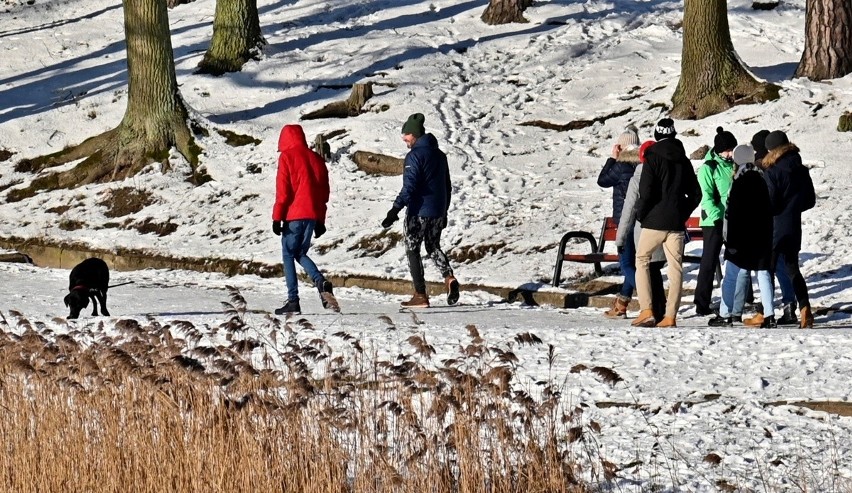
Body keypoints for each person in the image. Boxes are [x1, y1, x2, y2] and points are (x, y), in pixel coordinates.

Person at [381, 113, 459, 308]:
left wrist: (394, 210)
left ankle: (420, 294)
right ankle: (449, 278)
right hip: (437, 211)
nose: (404, 139)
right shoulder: (440, 155)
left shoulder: (414, 156)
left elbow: (410, 188)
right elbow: (447, 185)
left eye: (406, 135)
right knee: (433, 246)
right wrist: (444, 210)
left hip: (418, 212)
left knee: (412, 249)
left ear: (414, 135)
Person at [631, 118, 702, 328]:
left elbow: (646, 191)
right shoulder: (683, 159)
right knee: (675, 268)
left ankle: (646, 310)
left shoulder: (652, 157)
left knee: (642, 260)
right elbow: (696, 194)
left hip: (654, 221)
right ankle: (670, 316)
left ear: (656, 135)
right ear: (674, 134)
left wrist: (642, 214)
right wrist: (682, 212)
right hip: (676, 223)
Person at [271, 124, 340, 315]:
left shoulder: (287, 157)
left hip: (293, 215)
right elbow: (323, 192)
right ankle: (321, 282)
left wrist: (277, 217)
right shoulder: (316, 159)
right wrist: (320, 219)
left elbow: (283, 191)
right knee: (300, 252)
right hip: (310, 216)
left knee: (288, 254)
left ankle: (293, 300)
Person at [708, 145, 776, 327]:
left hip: (741, 238)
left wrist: (729, 239)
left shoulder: (739, 182)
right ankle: (769, 314)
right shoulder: (762, 179)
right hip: (762, 237)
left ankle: (725, 313)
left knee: (731, 275)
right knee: (763, 274)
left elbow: (732, 215)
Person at [761, 130, 817, 328]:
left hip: (775, 227)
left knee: (767, 269)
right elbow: (810, 201)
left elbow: (771, 203)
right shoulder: (801, 169)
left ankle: (765, 312)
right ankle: (804, 307)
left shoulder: (772, 171)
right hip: (793, 225)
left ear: (771, 150)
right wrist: (793, 208)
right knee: (793, 269)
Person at [615, 140, 666, 322]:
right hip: (668, 229)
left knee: (646, 269)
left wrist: (620, 238)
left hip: (644, 231)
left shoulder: (638, 176)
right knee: (656, 271)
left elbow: (628, 210)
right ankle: (662, 312)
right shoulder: (666, 173)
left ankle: (650, 310)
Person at [693, 127, 738, 316]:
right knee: (709, 261)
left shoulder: (734, 165)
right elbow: (707, 198)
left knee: (738, 259)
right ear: (719, 150)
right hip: (714, 222)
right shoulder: (708, 167)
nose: (730, 153)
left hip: (734, 220)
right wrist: (719, 219)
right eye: (728, 150)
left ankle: (743, 298)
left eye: (732, 149)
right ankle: (701, 302)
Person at [597, 124, 641, 318]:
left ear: (621, 147)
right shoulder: (642, 164)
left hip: (625, 221)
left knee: (626, 264)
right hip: (640, 220)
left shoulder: (620, 165)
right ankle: (622, 304)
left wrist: (612, 158)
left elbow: (602, 180)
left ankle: (652, 297)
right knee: (633, 263)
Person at [753, 129, 796, 325]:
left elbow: (768, 200)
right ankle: (789, 304)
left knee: (767, 268)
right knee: (782, 267)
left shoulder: (766, 169)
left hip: (768, 224)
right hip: (787, 223)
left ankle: (766, 308)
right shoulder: (790, 165)